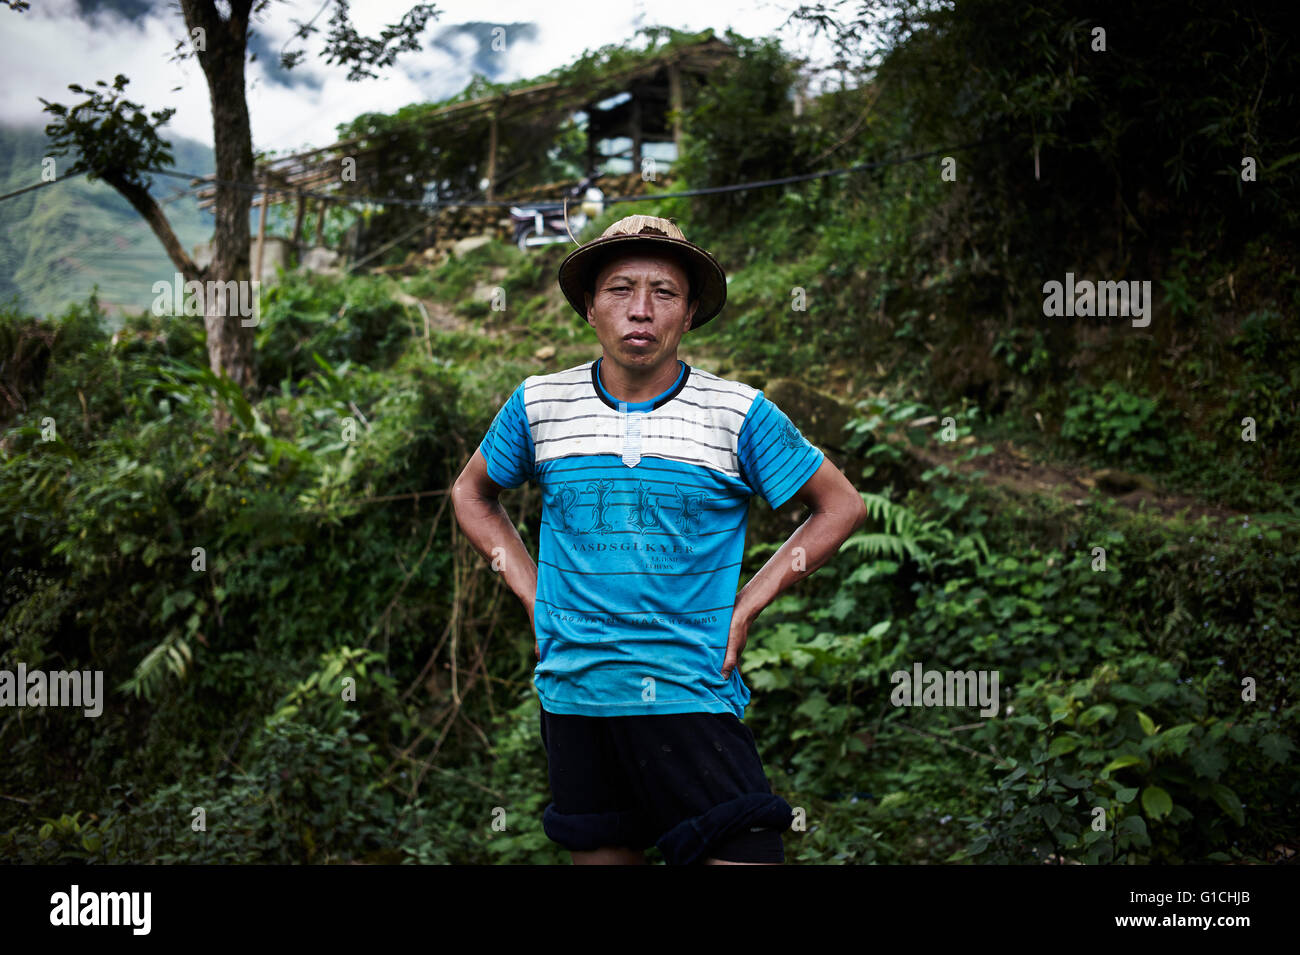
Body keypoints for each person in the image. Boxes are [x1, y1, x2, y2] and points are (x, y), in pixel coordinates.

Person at [451, 214, 867, 864]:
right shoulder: (539, 403)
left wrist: (747, 605)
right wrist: (534, 597)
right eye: (620, 289)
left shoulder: (738, 412)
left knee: (746, 847)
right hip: (577, 694)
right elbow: (471, 494)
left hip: (687, 688)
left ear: (691, 311)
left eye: (664, 292)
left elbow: (840, 506)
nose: (640, 310)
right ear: (590, 306)